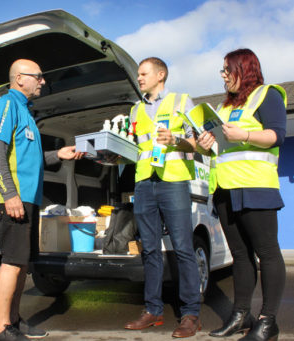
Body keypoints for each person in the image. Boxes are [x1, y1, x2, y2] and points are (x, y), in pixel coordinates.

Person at [0, 59, 83, 341]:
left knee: (23, 264)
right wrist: (9, 194)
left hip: (28, 199)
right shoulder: (6, 104)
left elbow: (32, 159)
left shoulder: (27, 113)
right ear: (19, 79)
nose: (42, 81)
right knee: (12, 262)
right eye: (38, 77)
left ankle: (14, 321)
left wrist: (59, 155)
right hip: (13, 198)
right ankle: (1, 328)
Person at [197, 48, 286, 341]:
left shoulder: (266, 95)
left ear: (243, 68)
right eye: (222, 71)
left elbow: (276, 134)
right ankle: (241, 315)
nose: (223, 76)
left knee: (268, 254)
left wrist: (244, 134)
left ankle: (268, 321)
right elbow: (220, 148)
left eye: (227, 70)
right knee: (240, 256)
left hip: (256, 186)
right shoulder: (222, 108)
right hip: (225, 189)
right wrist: (205, 141)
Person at [124, 57, 202, 338]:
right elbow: (132, 147)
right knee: (149, 249)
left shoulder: (183, 102)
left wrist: (177, 141)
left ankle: (191, 314)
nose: (139, 78)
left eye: (144, 73)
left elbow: (199, 142)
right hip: (145, 182)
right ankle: (153, 310)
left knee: (182, 247)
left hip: (173, 181)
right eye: (138, 74)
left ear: (161, 74)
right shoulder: (134, 110)